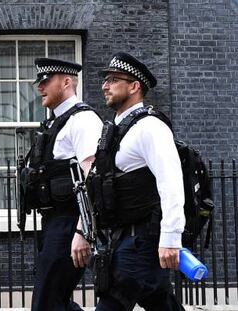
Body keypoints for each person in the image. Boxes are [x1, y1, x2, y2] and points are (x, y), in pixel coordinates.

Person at [93, 52, 186, 310]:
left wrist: (170, 237)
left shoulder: (150, 127)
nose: (105, 85)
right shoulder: (116, 129)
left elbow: (171, 181)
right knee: (160, 301)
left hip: (141, 239)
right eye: (105, 80)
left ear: (134, 86)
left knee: (112, 300)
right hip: (123, 237)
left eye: (113, 79)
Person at [26, 57, 103, 311]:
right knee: (54, 301)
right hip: (52, 223)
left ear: (67, 82)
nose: (40, 87)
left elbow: (92, 175)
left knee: (46, 303)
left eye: (46, 81)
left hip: (69, 222)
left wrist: (83, 231)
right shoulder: (55, 122)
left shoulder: (83, 120)